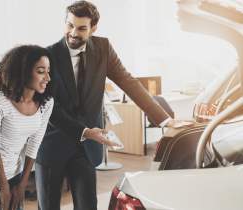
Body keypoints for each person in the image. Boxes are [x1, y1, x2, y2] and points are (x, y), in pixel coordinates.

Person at [35, 1, 179, 210]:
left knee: (88, 206)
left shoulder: (103, 48)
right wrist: (84, 131)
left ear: (93, 28)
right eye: (69, 25)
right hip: (52, 144)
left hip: (86, 149)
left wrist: (165, 118)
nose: (73, 33)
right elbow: (47, 105)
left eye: (82, 28)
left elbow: (128, 82)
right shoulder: (47, 55)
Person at [0, 45, 54, 210]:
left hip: (16, 174)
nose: (48, 78)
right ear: (23, 71)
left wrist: (22, 185)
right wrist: (3, 186)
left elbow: (35, 141)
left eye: (48, 71)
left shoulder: (46, 103)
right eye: (41, 71)